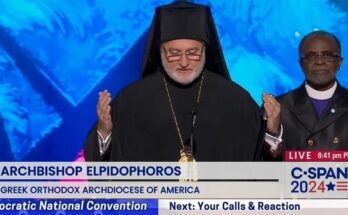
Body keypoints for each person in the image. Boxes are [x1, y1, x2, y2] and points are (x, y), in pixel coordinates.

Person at [84, 1, 278, 161]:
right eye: (174, 53)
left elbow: (262, 164)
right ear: (160, 51)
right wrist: (104, 132)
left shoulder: (236, 99)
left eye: (193, 53)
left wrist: (272, 131)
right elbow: (104, 167)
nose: (184, 62)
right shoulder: (132, 99)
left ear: (205, 51)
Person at [264, 30, 348, 159]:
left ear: (339, 62)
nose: (319, 61)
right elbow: (261, 168)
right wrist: (273, 134)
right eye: (311, 56)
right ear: (301, 64)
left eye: (327, 55)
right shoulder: (277, 108)